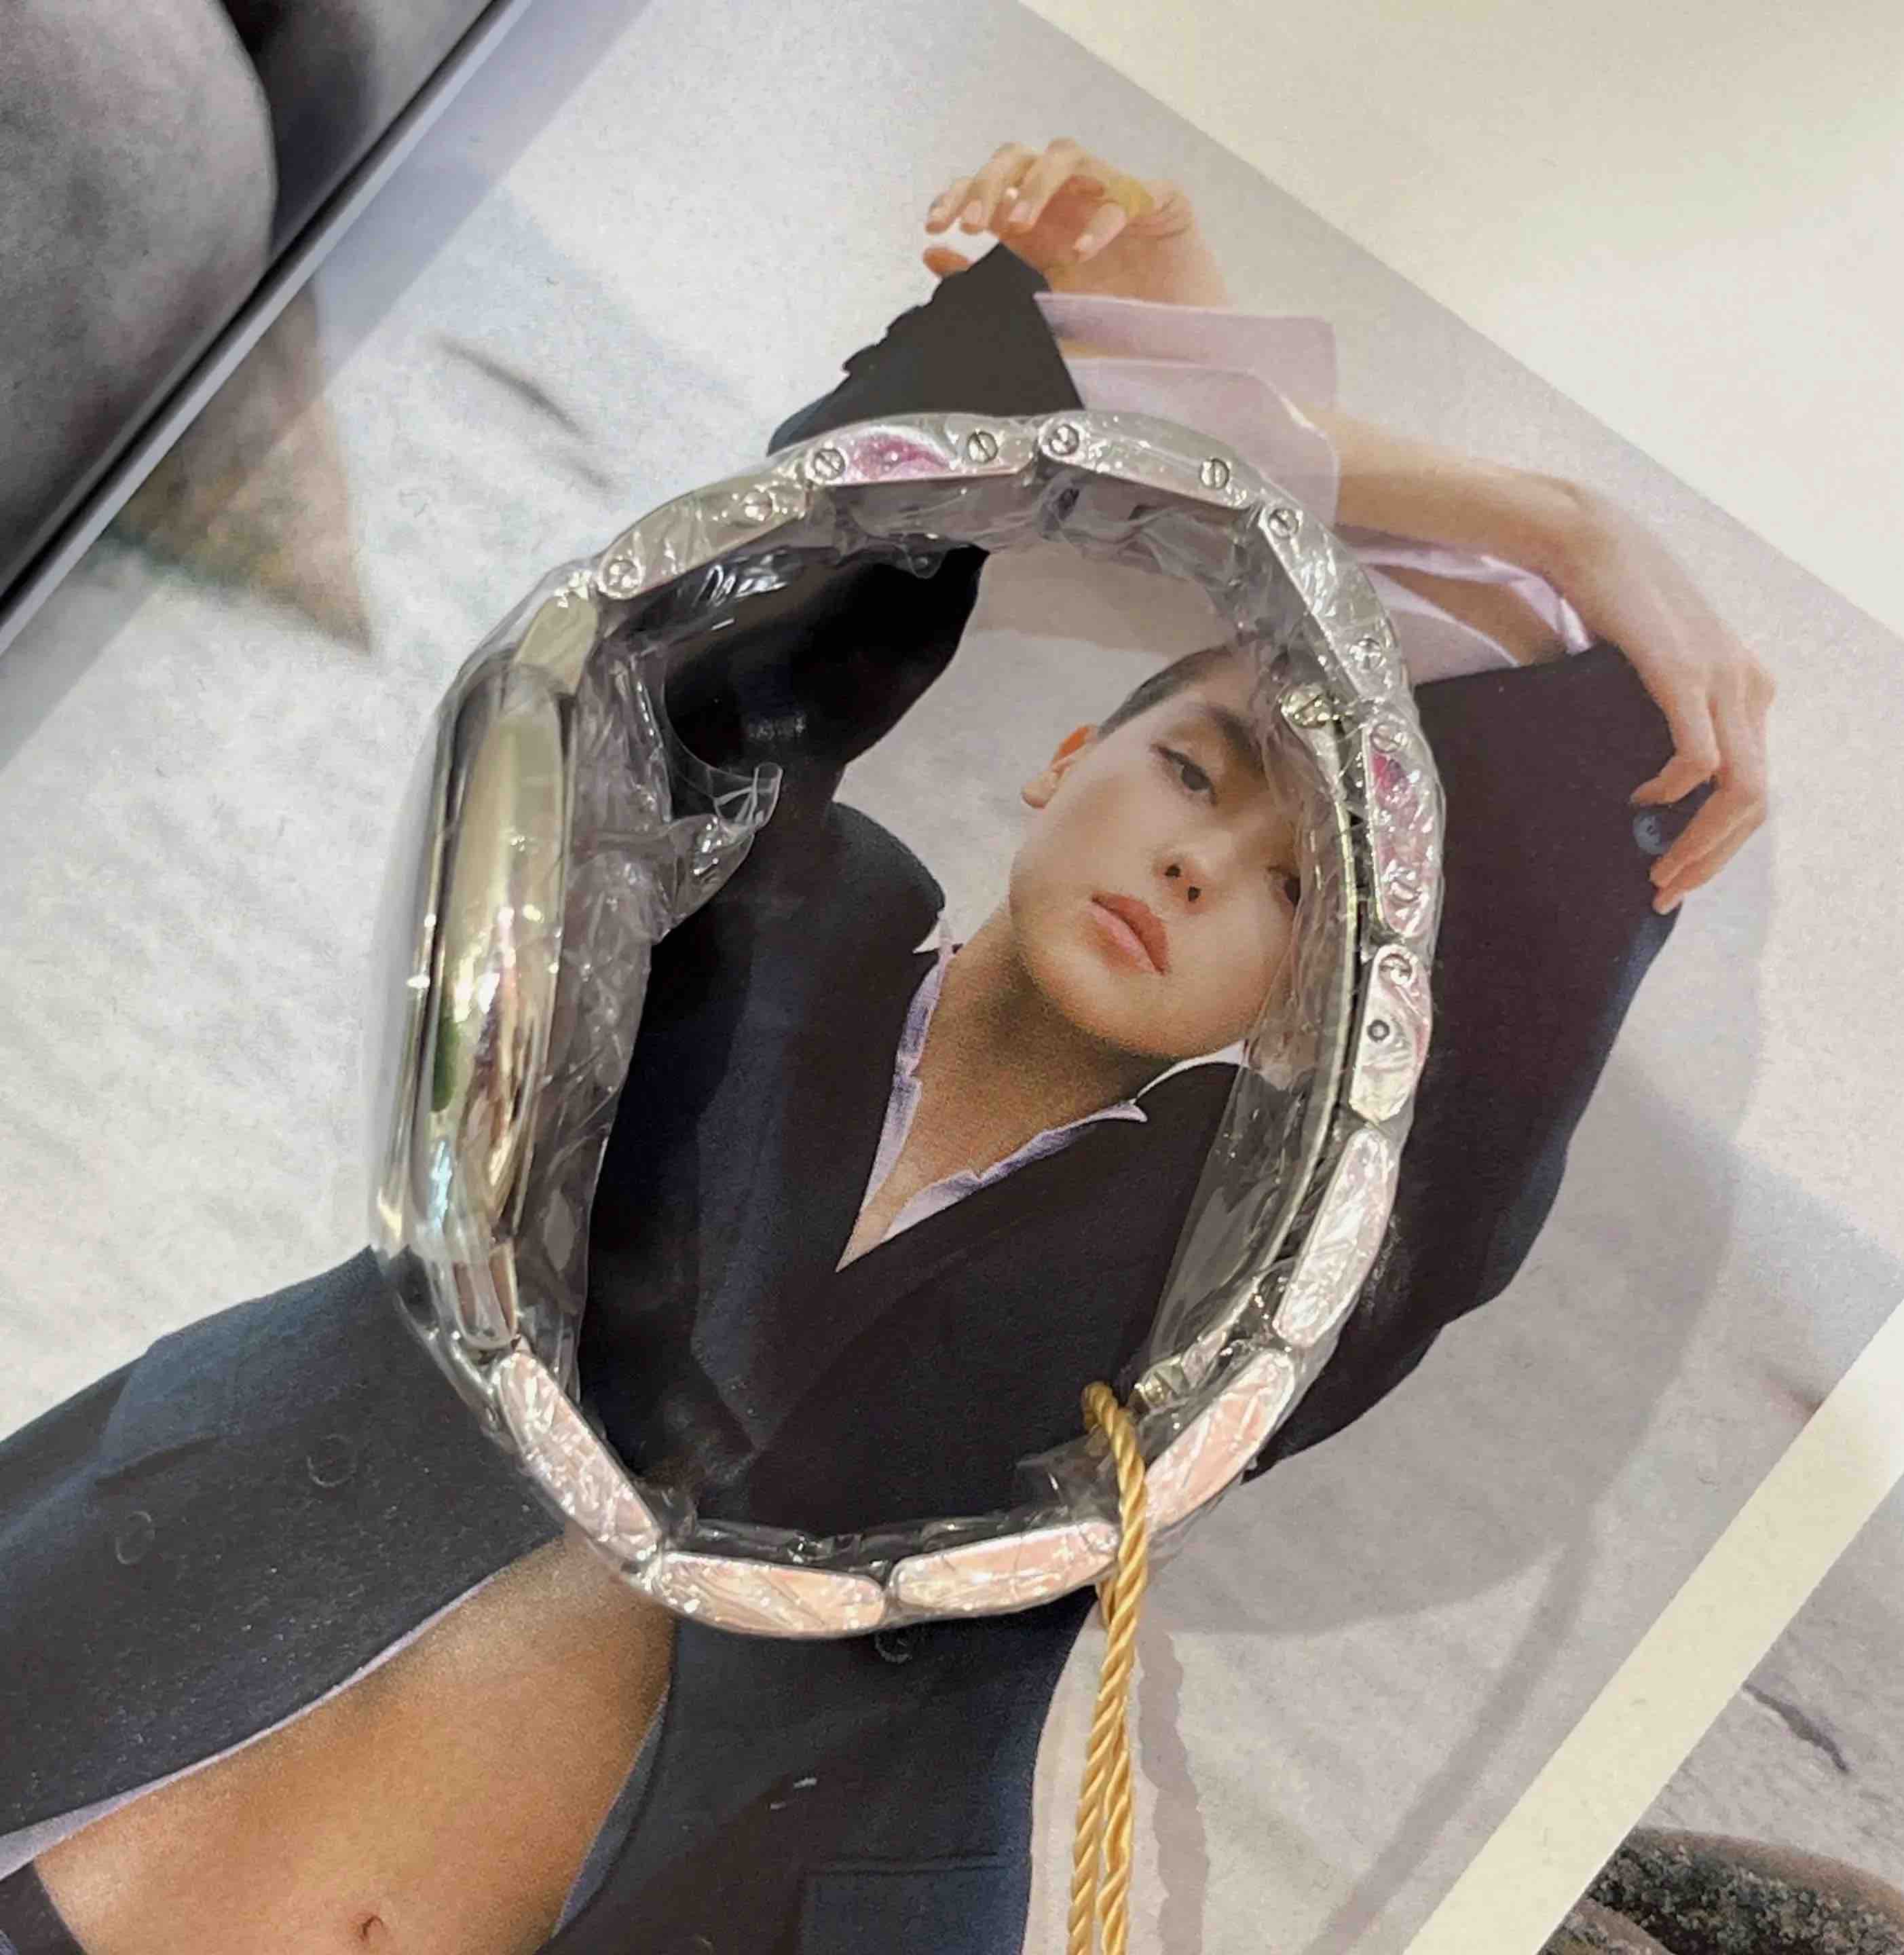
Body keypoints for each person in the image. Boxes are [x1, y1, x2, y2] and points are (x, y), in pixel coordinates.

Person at [0, 142, 1774, 1955]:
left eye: (1291, 891)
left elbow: (1511, 1021)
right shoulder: (736, 927)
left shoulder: (1209, 1313)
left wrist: (1564, 561)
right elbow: (784, 559)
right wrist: (1481, 501)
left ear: (1322, 1007)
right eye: (1192, 770)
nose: (1196, 861)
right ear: (1065, 758)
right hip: (100, 1724)